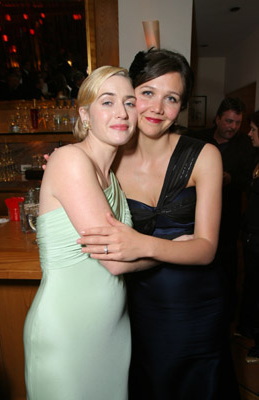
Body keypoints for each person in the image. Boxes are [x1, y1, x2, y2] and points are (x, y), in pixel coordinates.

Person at [78, 48, 240, 399]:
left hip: (199, 306)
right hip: (140, 307)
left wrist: (143, 245)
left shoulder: (204, 155)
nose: (157, 108)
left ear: (181, 106)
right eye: (147, 93)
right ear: (130, 94)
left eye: (171, 98)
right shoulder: (109, 159)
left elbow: (206, 249)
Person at [23, 65, 138, 400]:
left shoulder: (111, 175)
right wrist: (176, 252)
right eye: (108, 102)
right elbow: (114, 260)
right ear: (85, 114)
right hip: (68, 334)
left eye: (129, 102)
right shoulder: (71, 160)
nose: (121, 112)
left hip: (112, 330)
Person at [187, 97, 255, 322]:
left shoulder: (245, 144)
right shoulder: (198, 139)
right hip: (195, 214)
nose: (233, 127)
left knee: (226, 267)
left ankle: (226, 314)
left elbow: (249, 179)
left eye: (237, 122)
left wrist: (229, 178)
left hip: (229, 217)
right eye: (228, 121)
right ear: (217, 119)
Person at [237, 110, 259, 363]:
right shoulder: (255, 158)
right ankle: (249, 331)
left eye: (254, 129)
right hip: (252, 237)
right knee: (252, 288)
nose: (249, 133)